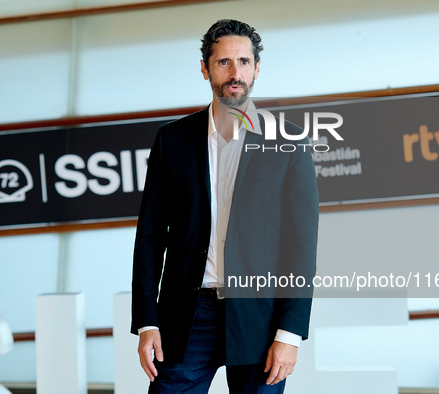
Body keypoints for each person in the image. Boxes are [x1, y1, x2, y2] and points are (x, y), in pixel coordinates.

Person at [131, 19, 319, 394]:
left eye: (244, 62)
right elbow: (150, 236)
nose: (236, 73)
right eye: (223, 62)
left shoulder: (289, 143)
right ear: (204, 68)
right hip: (186, 317)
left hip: (259, 321)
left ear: (257, 67)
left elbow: (301, 246)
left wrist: (291, 332)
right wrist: (147, 321)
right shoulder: (172, 140)